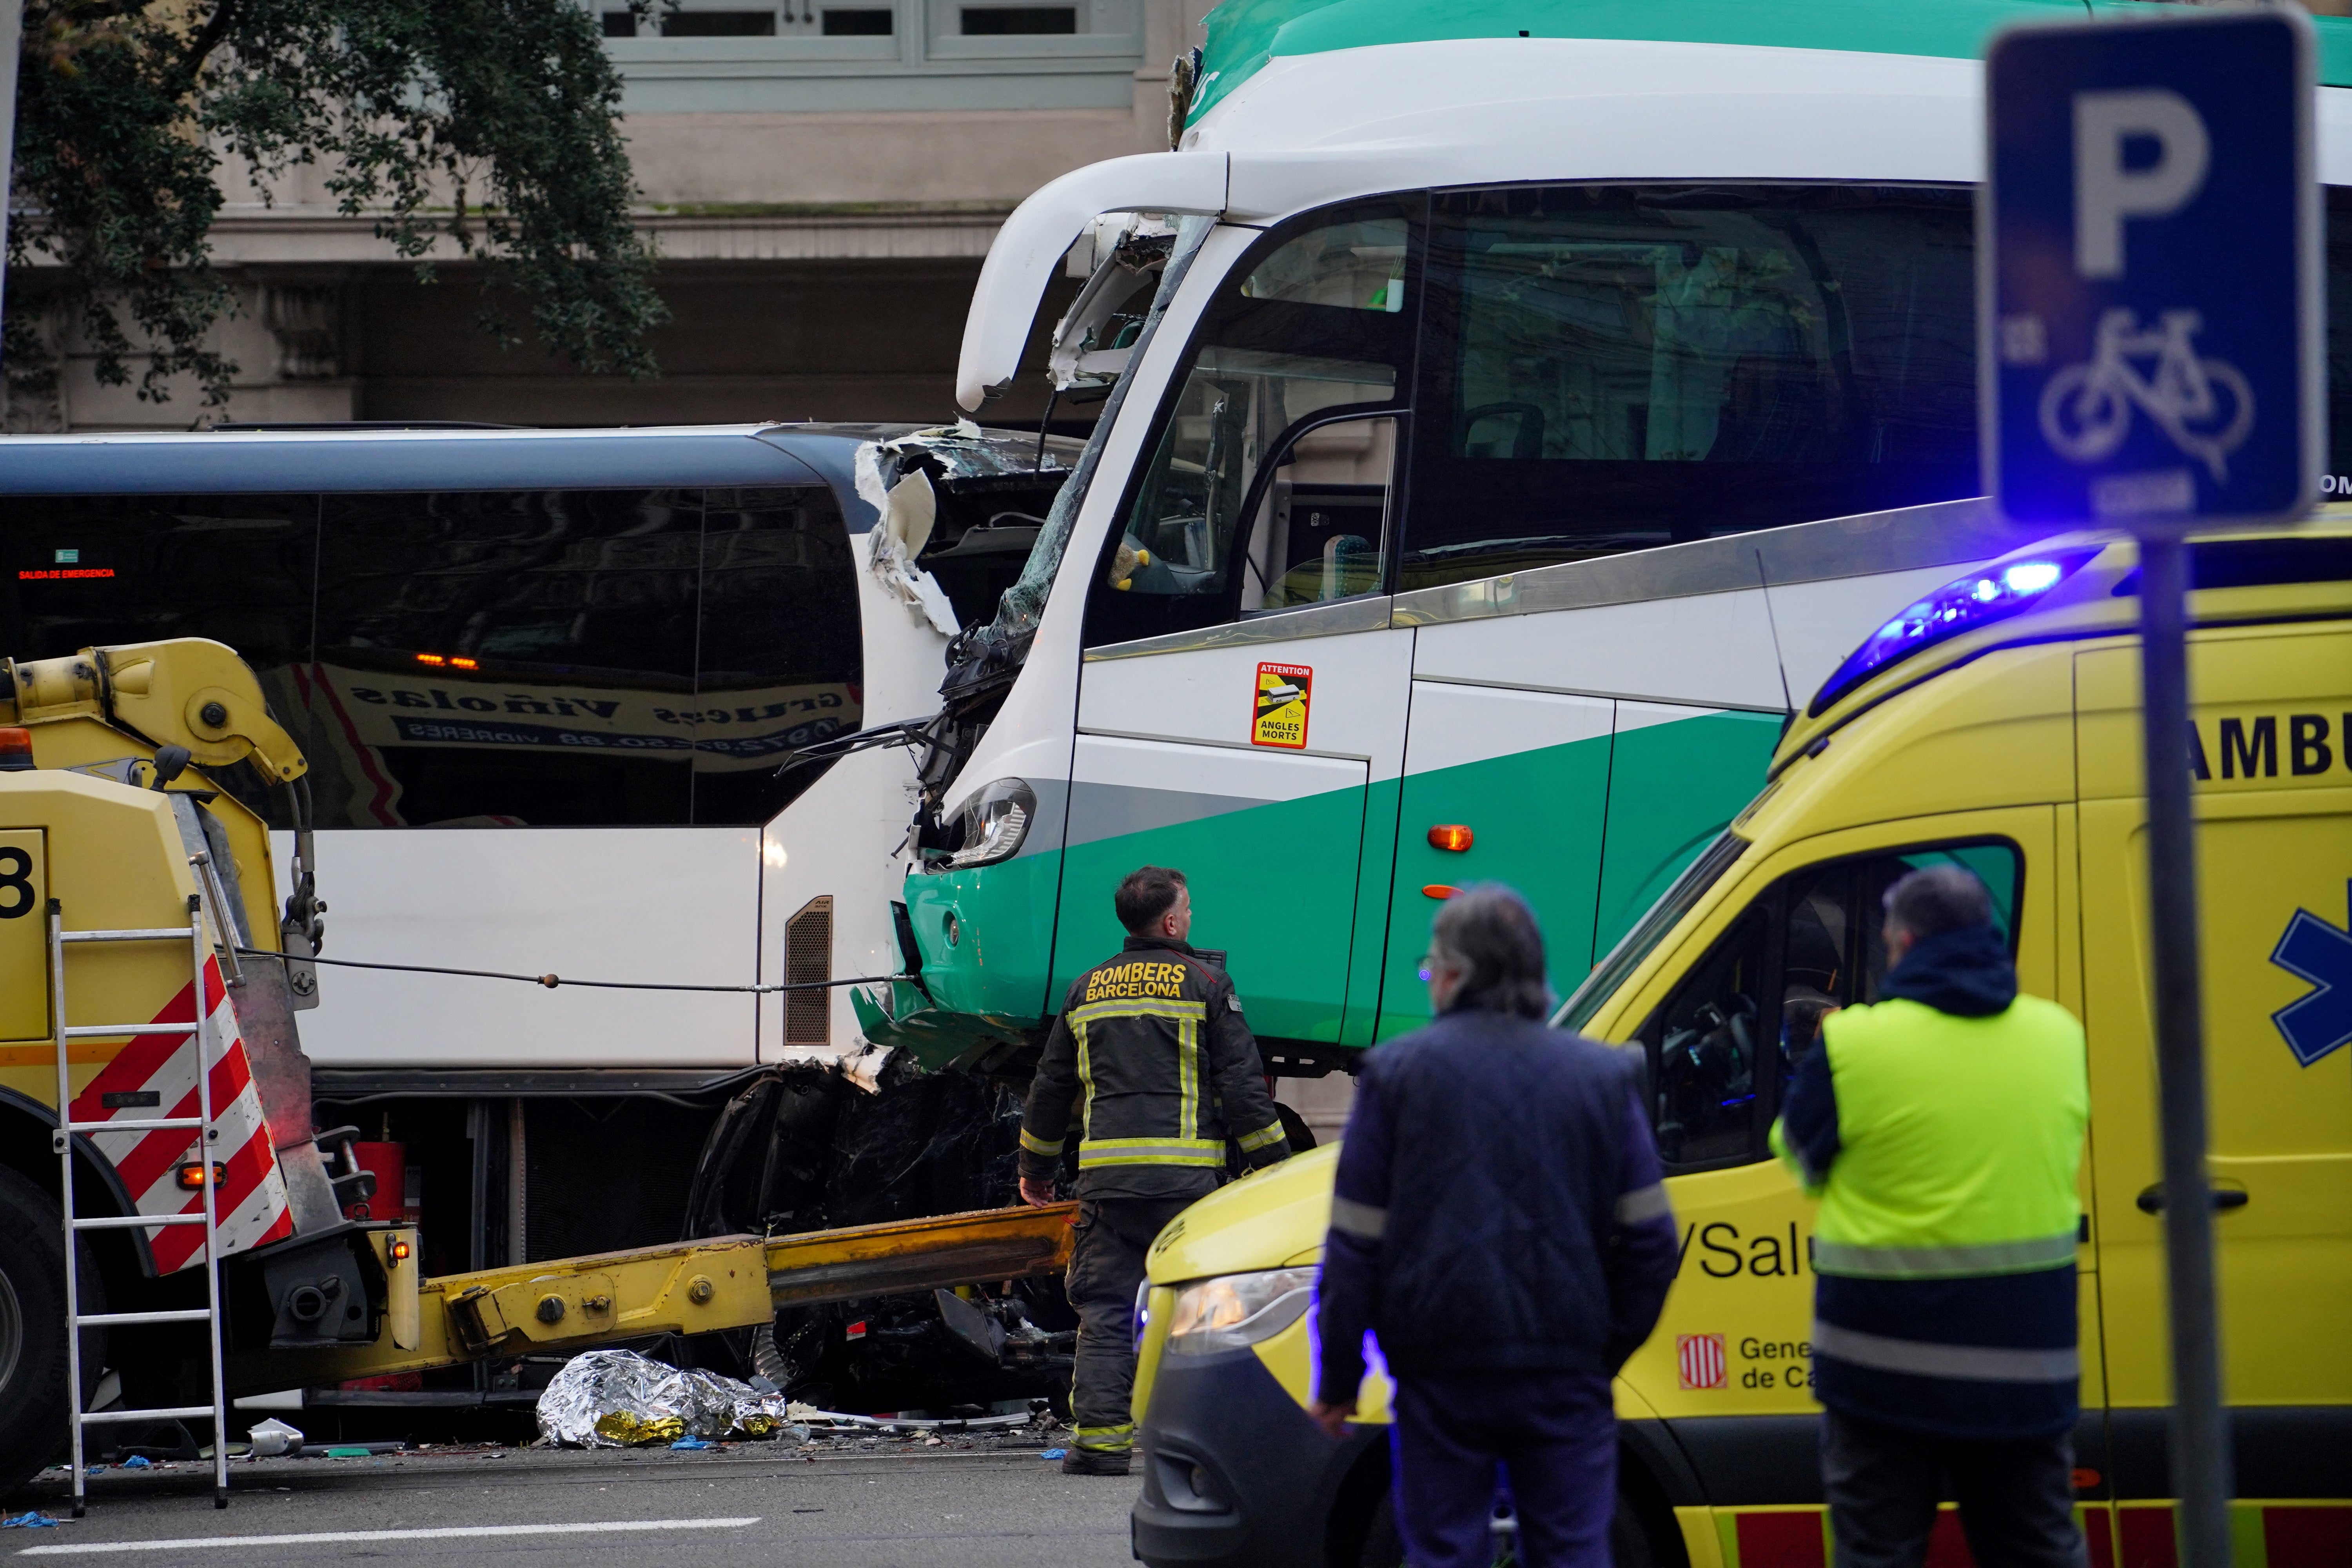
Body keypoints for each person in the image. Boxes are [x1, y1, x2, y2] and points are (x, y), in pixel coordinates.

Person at [1309, 884, 1681, 1567]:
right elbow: (1654, 1242)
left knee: (1445, 1552)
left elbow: (1355, 1246)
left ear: (1454, 974)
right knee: (1573, 1551)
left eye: (1430, 971)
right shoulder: (1601, 1078)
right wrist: (1603, 1353)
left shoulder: (1397, 1076)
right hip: (1566, 1367)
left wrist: (1336, 1381)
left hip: (1439, 1371)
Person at [1771, 864, 2090, 1568]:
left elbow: (1797, 1156)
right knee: (2037, 1548)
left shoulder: (1855, 1043)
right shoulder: (2060, 1035)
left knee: (1878, 1553)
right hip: (2027, 1366)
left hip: (1883, 1374)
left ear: (1903, 942)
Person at [1018, 865, 1292, 1476]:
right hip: (1188, 1190)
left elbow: (1051, 1088)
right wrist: (1277, 1171)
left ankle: (1101, 1445)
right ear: (1171, 922)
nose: (1191, 918)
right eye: (1188, 910)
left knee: (1108, 1311)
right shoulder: (1206, 984)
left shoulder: (1086, 990)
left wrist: (1034, 1169)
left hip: (1109, 1188)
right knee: (1205, 1309)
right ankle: (1209, 1446)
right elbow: (1244, 1090)